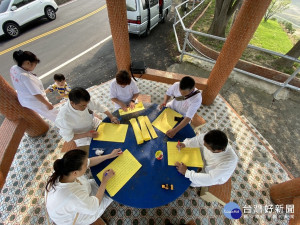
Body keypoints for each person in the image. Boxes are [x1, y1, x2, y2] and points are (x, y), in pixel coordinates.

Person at [45, 149, 121, 225]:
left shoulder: (64, 170)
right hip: (76, 217)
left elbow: (89, 162)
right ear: (75, 173)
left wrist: (110, 156)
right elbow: (94, 207)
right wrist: (104, 181)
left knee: (103, 184)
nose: (87, 165)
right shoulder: (72, 196)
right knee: (111, 192)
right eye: (85, 166)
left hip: (79, 194)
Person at [55, 87, 119, 151]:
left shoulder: (84, 101)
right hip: (81, 135)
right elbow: (69, 137)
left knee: (113, 134)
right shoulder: (63, 117)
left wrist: (111, 117)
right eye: (83, 105)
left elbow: (99, 107)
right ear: (72, 103)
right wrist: (87, 134)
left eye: (86, 104)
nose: (86, 107)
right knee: (97, 150)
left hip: (93, 123)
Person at [10, 50, 58, 122]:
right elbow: (36, 94)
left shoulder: (14, 68)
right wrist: (48, 104)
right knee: (51, 113)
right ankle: (63, 125)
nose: (34, 67)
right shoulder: (25, 77)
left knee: (47, 112)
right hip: (35, 101)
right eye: (34, 65)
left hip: (24, 98)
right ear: (28, 63)